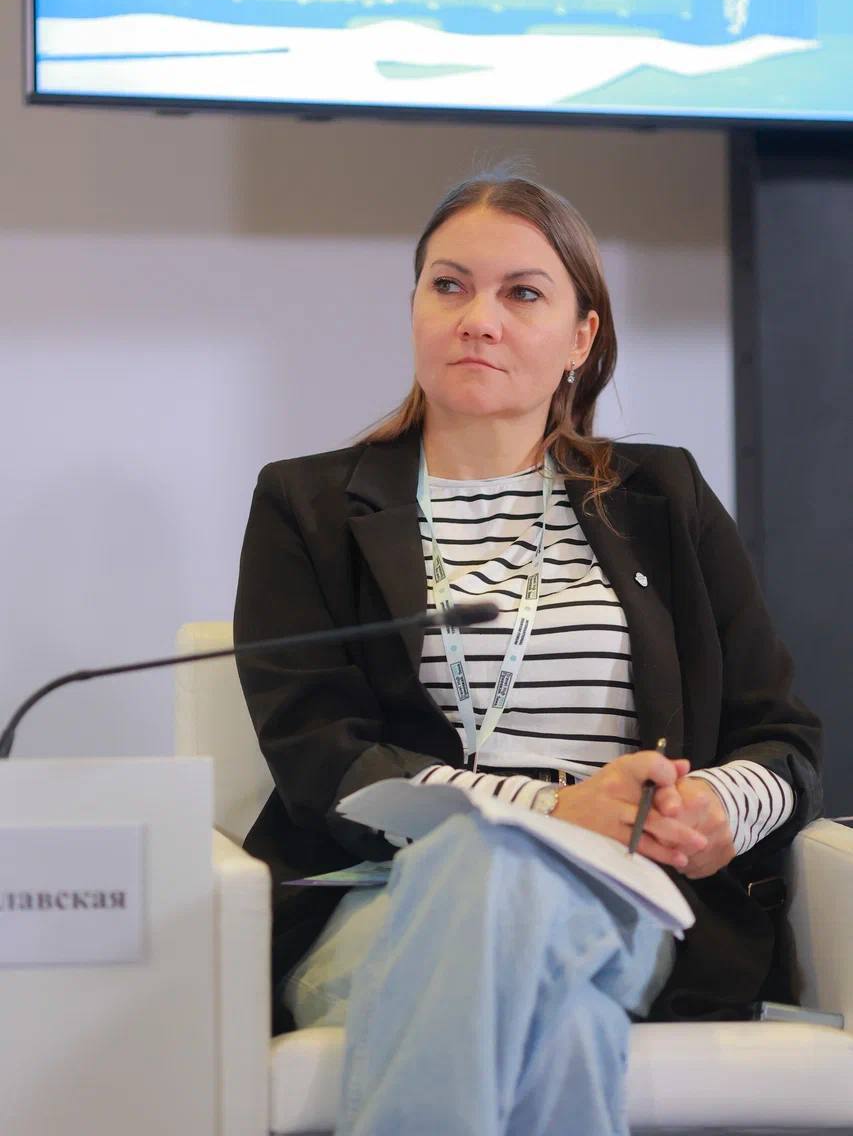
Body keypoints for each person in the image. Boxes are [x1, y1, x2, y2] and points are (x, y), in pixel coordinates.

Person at [233, 172, 822, 1135]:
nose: (478, 319)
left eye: (522, 293)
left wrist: (717, 807)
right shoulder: (308, 505)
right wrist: (551, 814)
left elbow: (783, 740)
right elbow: (318, 757)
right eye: (449, 286)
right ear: (415, 307)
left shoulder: (662, 497)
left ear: (580, 338)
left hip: (630, 893)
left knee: (507, 897)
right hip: (385, 896)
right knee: (554, 1004)